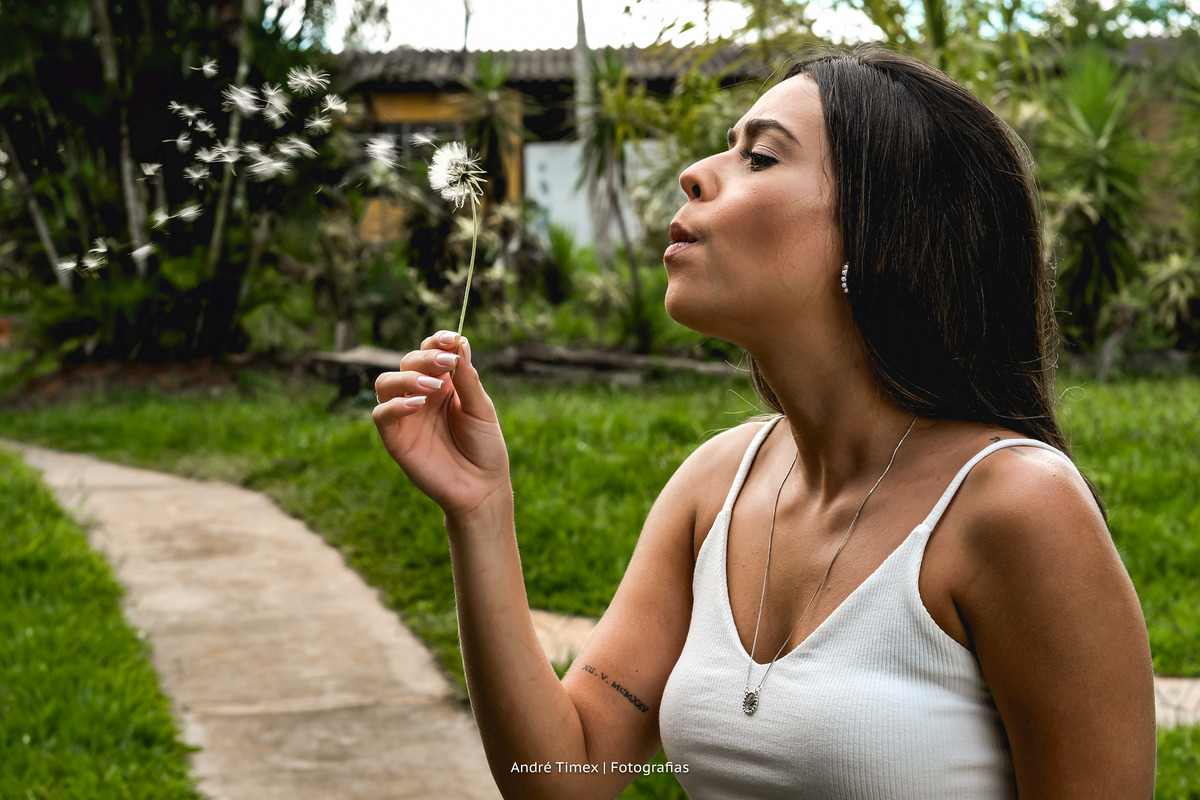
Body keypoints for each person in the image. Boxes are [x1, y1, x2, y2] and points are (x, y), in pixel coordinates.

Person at [371, 44, 1156, 799]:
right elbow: (566, 776)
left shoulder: (1016, 508)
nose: (693, 175)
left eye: (760, 156)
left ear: (879, 233)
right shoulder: (717, 485)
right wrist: (479, 511)